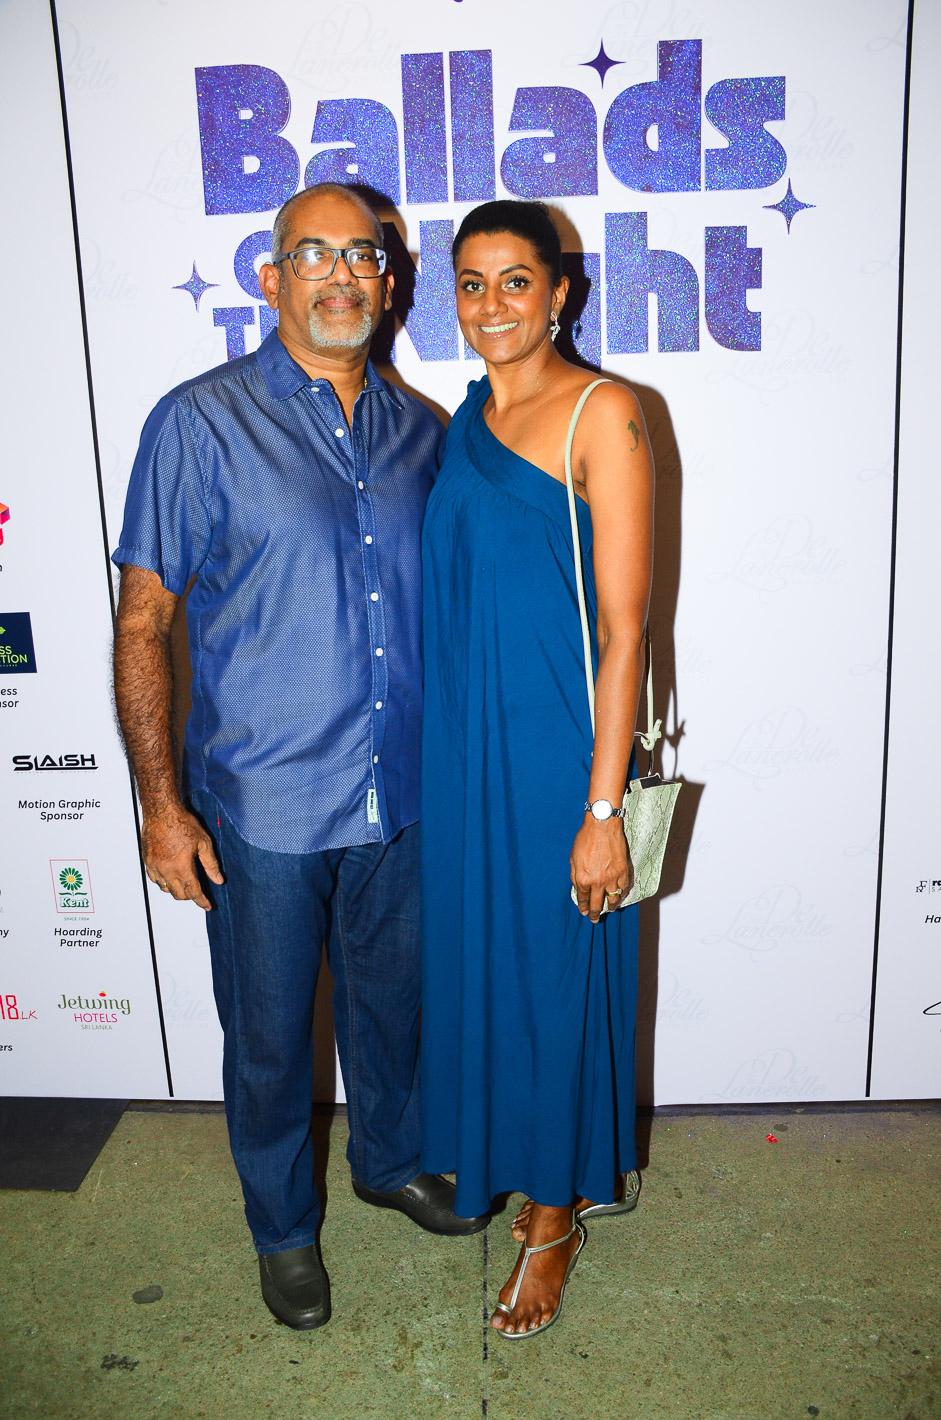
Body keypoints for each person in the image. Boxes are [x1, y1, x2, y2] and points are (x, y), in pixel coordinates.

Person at [112, 182, 487, 1334]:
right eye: (312, 254)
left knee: (394, 1012)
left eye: (360, 256)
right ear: (270, 278)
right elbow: (143, 623)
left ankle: (390, 1162)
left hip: (401, 794)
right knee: (272, 1041)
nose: (339, 275)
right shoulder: (199, 422)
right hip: (261, 808)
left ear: (389, 280)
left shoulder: (424, 432)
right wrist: (161, 806)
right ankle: (282, 1230)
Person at [420, 200, 655, 1338]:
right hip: (468, 754)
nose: (491, 305)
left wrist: (601, 806)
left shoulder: (603, 412)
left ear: (560, 293)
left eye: (515, 280)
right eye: (470, 283)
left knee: (560, 980)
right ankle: (520, 1160)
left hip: (561, 751)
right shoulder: (464, 418)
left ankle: (556, 1215)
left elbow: (624, 630)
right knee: (490, 971)